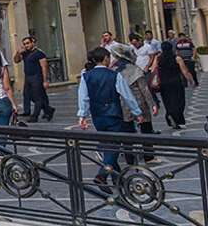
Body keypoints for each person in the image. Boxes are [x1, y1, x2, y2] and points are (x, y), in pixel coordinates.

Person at [75, 45, 140, 188]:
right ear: (105, 59)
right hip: (113, 113)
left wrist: (82, 115)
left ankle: (118, 180)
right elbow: (127, 95)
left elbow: (83, 97)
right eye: (109, 58)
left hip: (97, 115)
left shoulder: (86, 76)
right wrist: (137, 111)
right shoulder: (114, 75)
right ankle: (101, 175)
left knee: (108, 145)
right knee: (114, 146)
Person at [153, 28, 194, 128]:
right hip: (176, 83)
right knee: (179, 101)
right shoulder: (177, 58)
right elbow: (185, 71)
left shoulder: (158, 58)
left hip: (164, 83)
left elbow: (153, 69)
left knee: (168, 101)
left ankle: (170, 114)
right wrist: (190, 80)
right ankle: (177, 117)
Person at [18, 36, 53, 124]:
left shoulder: (39, 53)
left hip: (37, 77)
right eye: (24, 44)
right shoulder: (25, 53)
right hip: (28, 77)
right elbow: (16, 60)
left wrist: (45, 80)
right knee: (27, 95)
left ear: (32, 43)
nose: (26, 45)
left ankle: (35, 116)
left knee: (37, 97)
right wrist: (18, 53)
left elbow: (44, 67)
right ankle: (48, 109)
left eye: (28, 43)